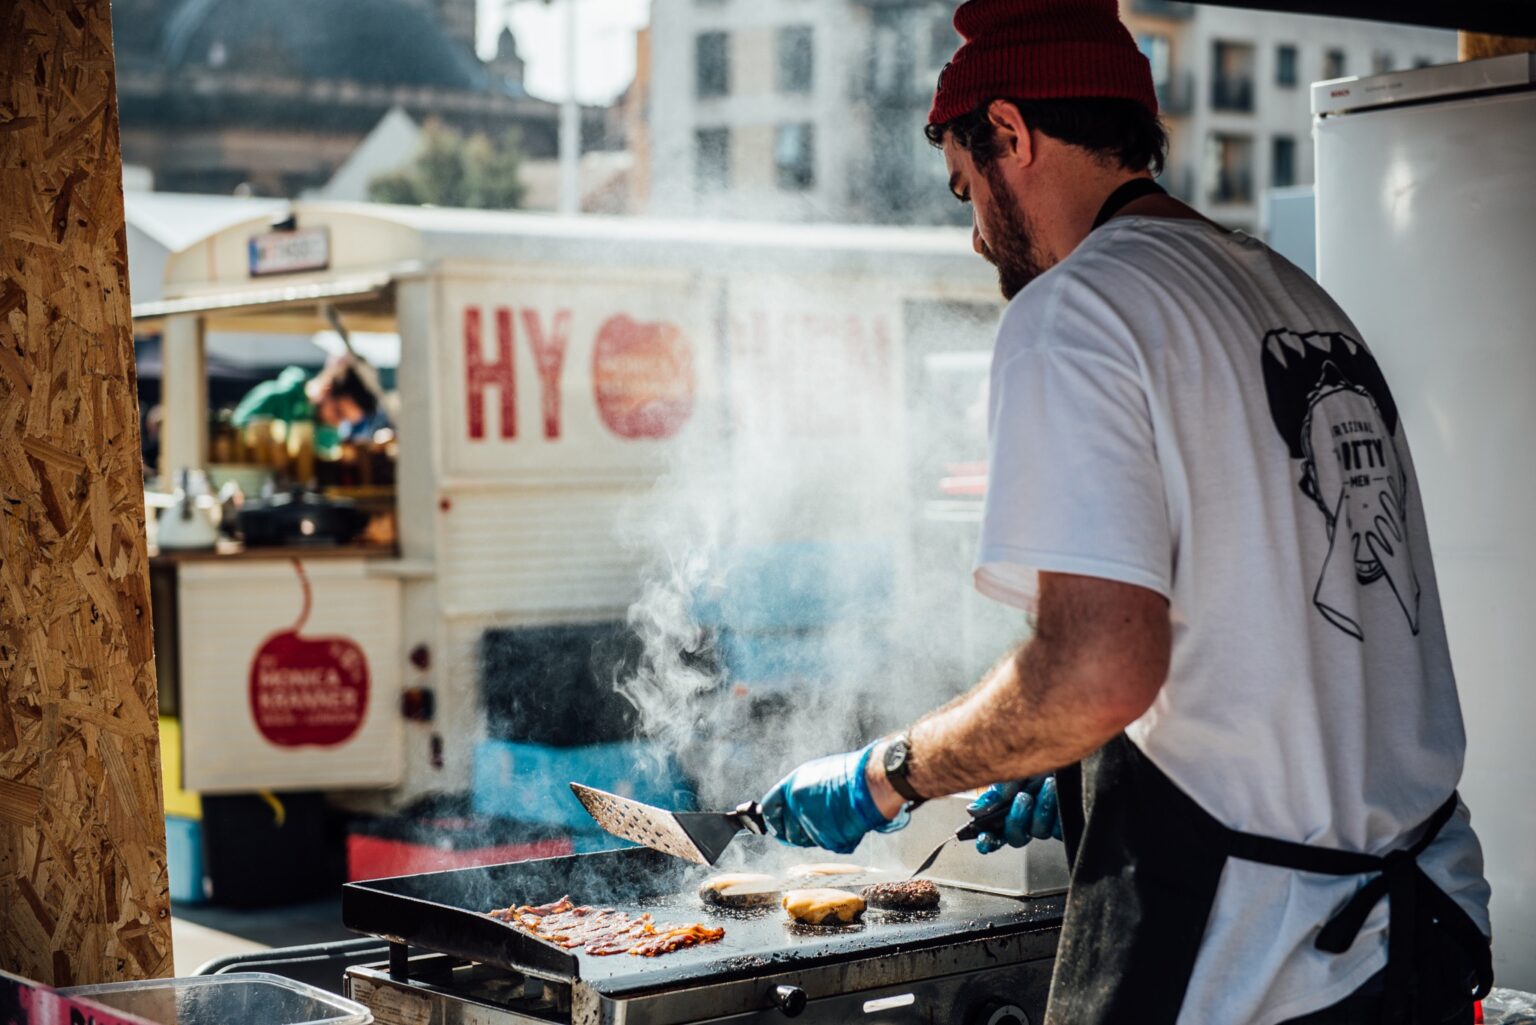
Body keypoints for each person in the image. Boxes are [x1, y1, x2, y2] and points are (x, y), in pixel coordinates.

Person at [758, 2, 1493, 1023]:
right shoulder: (1294, 297)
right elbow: (1274, 627)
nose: (975, 234)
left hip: (1260, 970)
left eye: (967, 188)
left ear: (1008, 131)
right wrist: (1066, 755)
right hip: (1419, 938)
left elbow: (1093, 671)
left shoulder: (1076, 310)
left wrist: (889, 774)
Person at [231, 355, 383, 450]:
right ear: (327, 388)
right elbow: (232, 433)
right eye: (338, 413)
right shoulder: (273, 397)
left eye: (346, 420)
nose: (338, 424)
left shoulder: (331, 431)